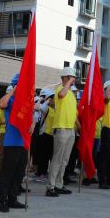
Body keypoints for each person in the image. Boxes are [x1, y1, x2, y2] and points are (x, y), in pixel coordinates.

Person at [0, 74, 28, 213]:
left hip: (23, 142)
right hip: (12, 141)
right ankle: (2, 201)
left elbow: (30, 116)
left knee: (19, 174)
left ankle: (12, 199)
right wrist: (13, 90)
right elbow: (1, 104)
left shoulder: (25, 102)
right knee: (7, 173)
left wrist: (32, 124)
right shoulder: (11, 99)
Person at [46, 67, 80, 198]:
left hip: (70, 130)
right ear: (64, 78)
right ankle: (50, 186)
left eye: (74, 78)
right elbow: (60, 95)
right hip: (61, 128)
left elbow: (74, 114)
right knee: (57, 159)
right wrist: (68, 83)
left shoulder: (71, 94)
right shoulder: (60, 89)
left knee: (65, 160)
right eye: (71, 77)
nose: (73, 80)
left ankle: (59, 184)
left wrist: (79, 127)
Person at [33, 89, 55, 181]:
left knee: (48, 154)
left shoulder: (55, 109)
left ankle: (45, 171)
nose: (55, 101)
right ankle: (40, 172)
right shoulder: (46, 108)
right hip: (44, 134)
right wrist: (46, 100)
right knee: (43, 155)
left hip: (52, 135)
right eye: (53, 99)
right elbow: (39, 108)